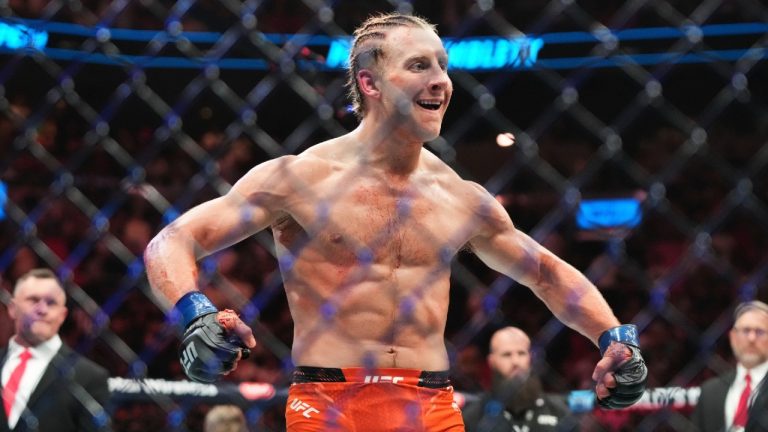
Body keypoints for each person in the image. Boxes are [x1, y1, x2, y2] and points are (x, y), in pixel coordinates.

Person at [144, 12, 647, 431]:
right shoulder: (300, 178)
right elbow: (173, 239)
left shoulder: (461, 197)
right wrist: (196, 313)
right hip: (328, 403)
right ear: (370, 83)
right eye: (419, 65)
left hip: (430, 405)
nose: (441, 81)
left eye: (443, 66)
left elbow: (543, 271)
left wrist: (614, 338)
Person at [1, 268, 111, 432]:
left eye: (51, 303)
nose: (42, 309)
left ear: (62, 315)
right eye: (33, 300)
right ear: (12, 308)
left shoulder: (89, 376)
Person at [462, 327, 576, 431]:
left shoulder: (560, 412)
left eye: (521, 353)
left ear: (530, 358)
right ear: (492, 362)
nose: (515, 362)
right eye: (506, 355)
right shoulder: (473, 416)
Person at [691, 300, 768, 432]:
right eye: (745, 331)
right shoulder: (710, 391)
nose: (751, 338)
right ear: (733, 337)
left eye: (760, 331)